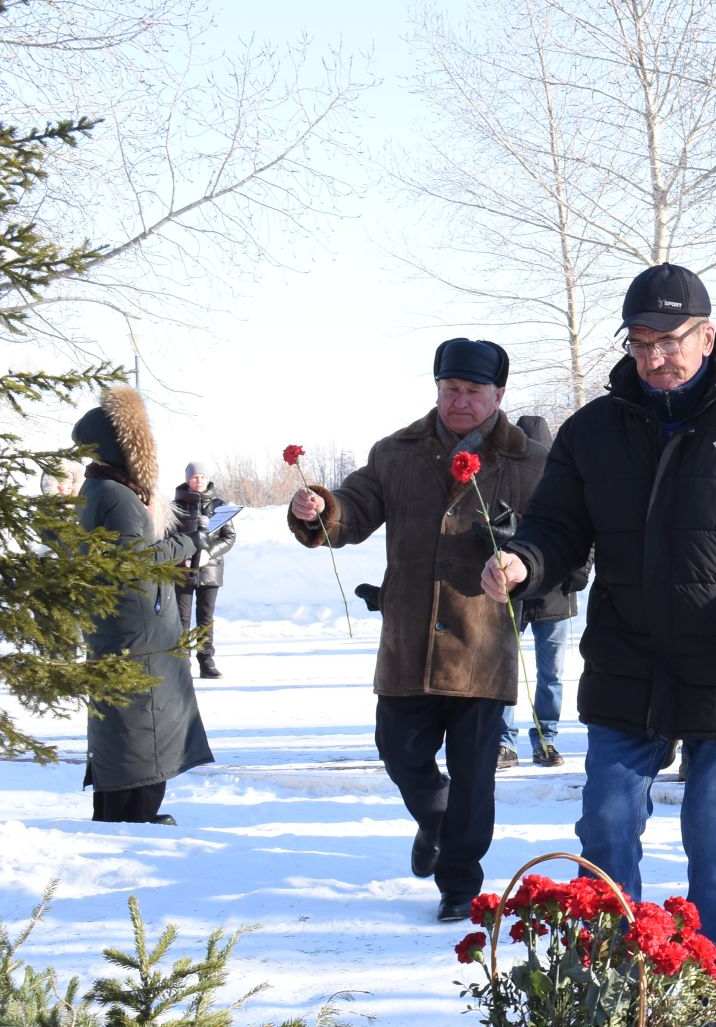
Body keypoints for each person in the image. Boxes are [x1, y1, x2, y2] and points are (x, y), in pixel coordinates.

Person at [482, 262, 716, 1027]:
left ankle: (713, 984)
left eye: (668, 342)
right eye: (638, 343)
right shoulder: (595, 430)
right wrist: (526, 563)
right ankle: (617, 977)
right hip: (629, 661)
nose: (653, 359)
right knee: (606, 819)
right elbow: (555, 525)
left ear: (706, 337)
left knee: (713, 831)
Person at [289, 338, 544, 922]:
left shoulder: (529, 462)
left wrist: (523, 560)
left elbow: (560, 543)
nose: (460, 401)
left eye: (473, 391)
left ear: (499, 394)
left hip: (483, 645)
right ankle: (436, 818)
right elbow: (351, 511)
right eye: (450, 389)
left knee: (476, 777)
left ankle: (459, 883)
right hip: (409, 640)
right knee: (400, 753)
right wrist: (319, 510)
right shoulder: (397, 452)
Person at [73, 388, 215, 824]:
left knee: (128, 724)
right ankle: (132, 816)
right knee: (141, 726)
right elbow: (132, 560)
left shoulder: (98, 489)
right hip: (138, 635)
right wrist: (186, 541)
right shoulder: (113, 495)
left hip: (130, 628)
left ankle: (121, 811)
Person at [497, 414, 585, 769]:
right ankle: (505, 743)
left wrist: (579, 572)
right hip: (512, 596)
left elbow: (584, 530)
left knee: (551, 676)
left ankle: (545, 739)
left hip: (555, 596)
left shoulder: (567, 483)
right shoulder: (505, 480)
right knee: (504, 671)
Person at [166, 460, 237, 679]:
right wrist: (181, 557)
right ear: (188, 479)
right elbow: (167, 537)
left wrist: (209, 553)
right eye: (195, 477)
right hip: (182, 570)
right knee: (182, 619)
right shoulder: (175, 506)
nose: (199, 481)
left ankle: (206, 662)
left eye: (203, 477)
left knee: (206, 618)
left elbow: (229, 536)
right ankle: (181, 664)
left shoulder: (220, 506)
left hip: (210, 570)